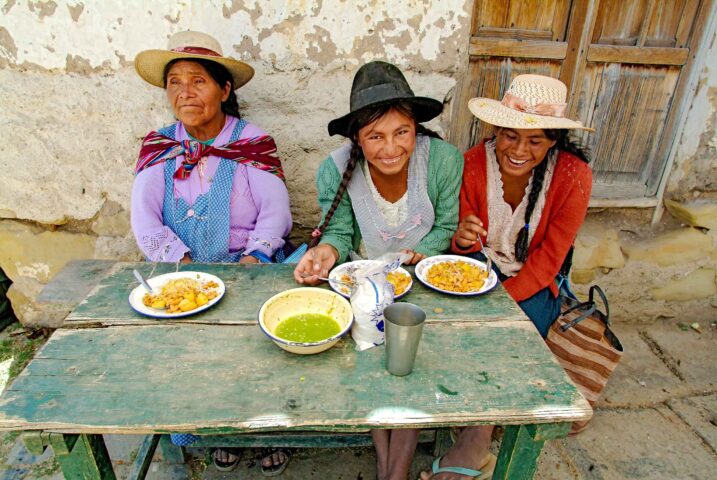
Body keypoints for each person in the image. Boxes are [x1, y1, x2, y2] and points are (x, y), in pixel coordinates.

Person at [293, 61, 464, 480]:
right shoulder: (335, 169)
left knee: (407, 361)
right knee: (370, 356)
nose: (390, 148)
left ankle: (394, 471)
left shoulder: (442, 159)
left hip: (421, 281)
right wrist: (325, 254)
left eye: (401, 132)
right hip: (361, 284)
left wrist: (415, 258)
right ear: (357, 138)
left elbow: (445, 225)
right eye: (375, 136)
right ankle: (387, 464)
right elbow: (337, 231)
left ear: (415, 128)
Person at [131, 30, 291, 475]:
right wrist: (187, 272)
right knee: (191, 357)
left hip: (250, 268)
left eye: (198, 80)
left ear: (225, 89)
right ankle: (214, 432)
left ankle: (263, 432)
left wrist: (253, 260)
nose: (185, 92)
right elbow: (145, 221)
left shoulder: (251, 142)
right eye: (175, 82)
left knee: (258, 351)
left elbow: (276, 213)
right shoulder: (159, 146)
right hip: (185, 277)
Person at [421, 75, 593, 479]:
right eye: (510, 136)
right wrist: (463, 239)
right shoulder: (471, 163)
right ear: (495, 130)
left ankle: (475, 442)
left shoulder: (573, 175)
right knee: (453, 319)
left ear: (554, 140)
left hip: (534, 281)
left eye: (535, 140)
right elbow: (461, 246)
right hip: (480, 269)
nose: (519, 150)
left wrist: (501, 306)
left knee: (513, 330)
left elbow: (549, 260)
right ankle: (463, 411)